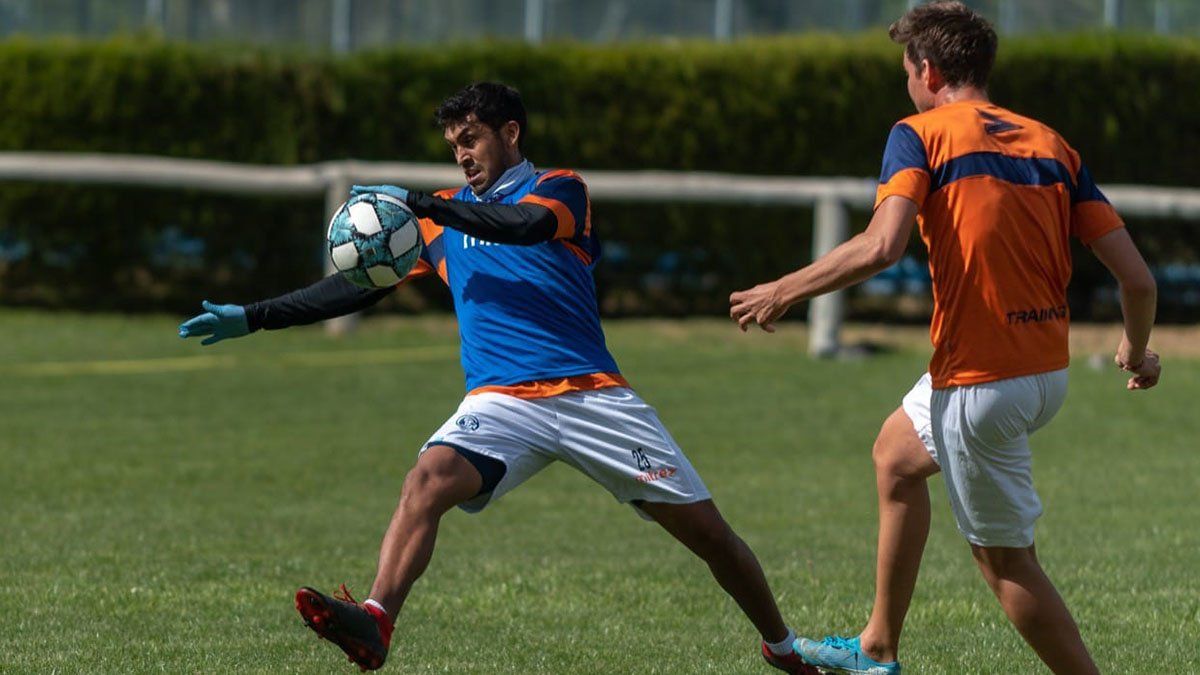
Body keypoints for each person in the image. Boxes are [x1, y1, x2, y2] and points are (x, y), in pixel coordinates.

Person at [180, 82, 813, 673]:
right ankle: (375, 620)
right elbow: (355, 287)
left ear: (510, 132)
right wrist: (254, 316)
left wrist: (425, 204)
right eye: (453, 145)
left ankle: (782, 647)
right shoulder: (440, 219)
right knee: (426, 480)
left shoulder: (559, 188)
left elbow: (526, 227)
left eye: (471, 140)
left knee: (710, 536)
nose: (461, 155)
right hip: (501, 403)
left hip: (593, 396)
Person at [729, 3, 1159, 673]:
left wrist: (783, 289)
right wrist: (1135, 348)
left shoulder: (920, 132)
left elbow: (881, 245)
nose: (906, 84)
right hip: (1046, 371)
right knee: (896, 456)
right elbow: (1137, 279)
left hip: (981, 383)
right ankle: (877, 647)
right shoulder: (1051, 143)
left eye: (907, 71)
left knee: (1005, 563)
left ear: (928, 71)